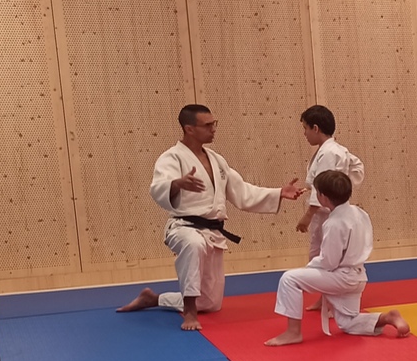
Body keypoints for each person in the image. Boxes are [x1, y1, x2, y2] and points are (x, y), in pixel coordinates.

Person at [118, 104, 304, 331]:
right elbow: (157, 188)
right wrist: (177, 184)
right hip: (183, 226)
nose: (213, 129)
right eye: (207, 125)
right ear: (189, 129)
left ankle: (154, 299)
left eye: (214, 124)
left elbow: (242, 191)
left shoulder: (216, 160)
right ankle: (189, 313)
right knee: (194, 244)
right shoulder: (171, 158)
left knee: (210, 303)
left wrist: (278, 193)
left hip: (212, 231)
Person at [265, 170, 408, 346]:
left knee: (289, 279)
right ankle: (386, 318)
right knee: (348, 323)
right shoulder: (359, 212)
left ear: (323, 197)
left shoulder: (334, 223)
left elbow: (329, 262)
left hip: (341, 277)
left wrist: (309, 268)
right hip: (358, 276)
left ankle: (293, 332)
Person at [296, 105, 365, 258]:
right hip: (334, 210)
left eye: (305, 128)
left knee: (321, 257)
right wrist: (309, 188)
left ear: (315, 128)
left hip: (326, 213)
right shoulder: (336, 149)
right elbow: (357, 167)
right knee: (329, 255)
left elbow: (324, 186)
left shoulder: (328, 153)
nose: (304, 133)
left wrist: (307, 216)